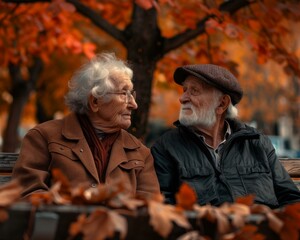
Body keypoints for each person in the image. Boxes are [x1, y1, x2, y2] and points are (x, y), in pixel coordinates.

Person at [151, 64, 300, 209]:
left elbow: (291, 199)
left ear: (222, 103)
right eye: (184, 90)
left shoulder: (257, 142)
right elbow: (166, 208)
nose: (182, 98)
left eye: (194, 91)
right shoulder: (166, 146)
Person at [12, 52, 160, 199]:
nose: (134, 104)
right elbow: (28, 193)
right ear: (95, 101)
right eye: (123, 93)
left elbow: (149, 209)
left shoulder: (141, 153)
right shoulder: (43, 137)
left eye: (131, 94)